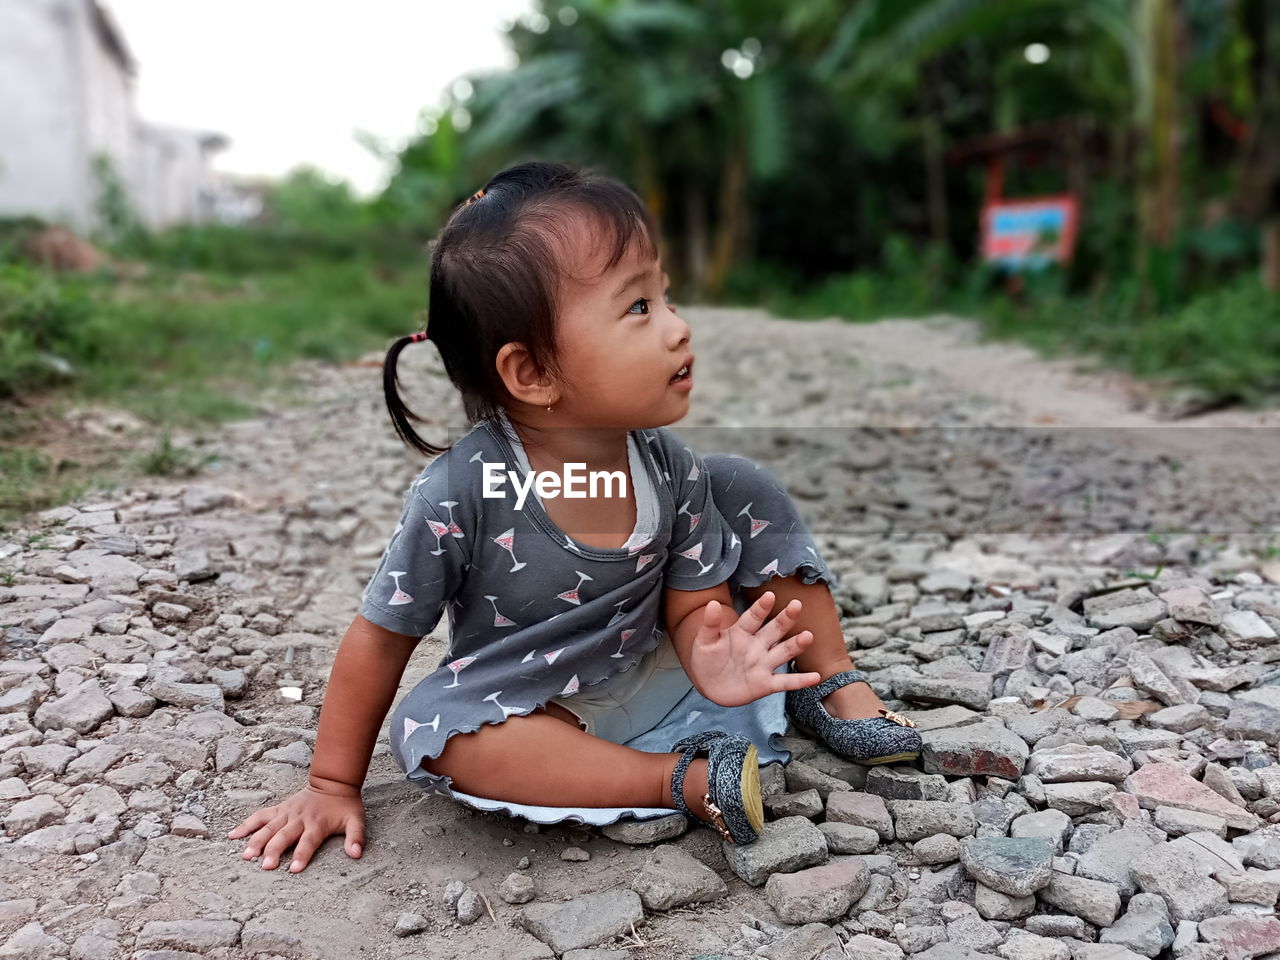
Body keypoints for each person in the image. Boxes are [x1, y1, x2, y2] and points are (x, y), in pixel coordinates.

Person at [227, 160, 922, 873]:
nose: (679, 329)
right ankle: (684, 780)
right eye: (639, 308)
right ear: (532, 374)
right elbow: (380, 641)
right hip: (543, 712)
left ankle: (829, 681)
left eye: (667, 296)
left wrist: (711, 654)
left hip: (666, 670)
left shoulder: (670, 469)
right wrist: (331, 783)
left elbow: (695, 607)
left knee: (741, 483)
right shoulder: (462, 492)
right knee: (431, 726)